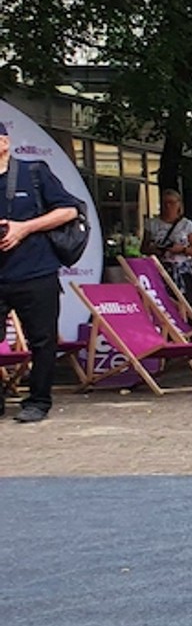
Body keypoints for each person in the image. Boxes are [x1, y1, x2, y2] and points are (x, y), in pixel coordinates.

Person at [0, 127, 83, 422]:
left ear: (5, 143)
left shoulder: (33, 172)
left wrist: (24, 228)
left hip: (35, 271)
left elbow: (70, 210)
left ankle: (38, 401)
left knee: (42, 340)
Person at [141, 188, 192, 308]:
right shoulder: (152, 224)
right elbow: (144, 248)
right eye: (165, 203)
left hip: (182, 271)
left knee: (186, 304)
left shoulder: (187, 225)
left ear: (179, 204)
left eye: (172, 202)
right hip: (160, 269)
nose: (168, 206)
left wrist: (182, 249)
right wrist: (156, 249)